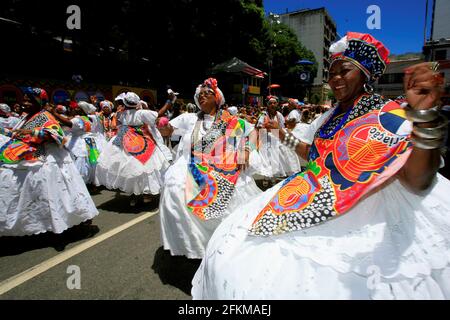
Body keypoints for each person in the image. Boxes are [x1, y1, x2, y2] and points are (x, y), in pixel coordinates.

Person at [192, 32, 450, 299]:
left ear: (364, 75)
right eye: (331, 72)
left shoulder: (389, 115)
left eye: (344, 70)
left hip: (372, 209)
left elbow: (417, 179)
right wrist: (281, 134)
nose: (335, 78)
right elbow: (314, 155)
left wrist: (423, 117)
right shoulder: (328, 117)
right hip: (316, 194)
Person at [158, 78, 262, 259]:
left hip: (222, 166)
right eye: (200, 94)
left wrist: (246, 150)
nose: (203, 95)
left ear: (218, 98)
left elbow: (252, 132)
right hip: (191, 165)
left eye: (208, 93)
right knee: (176, 189)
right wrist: (163, 125)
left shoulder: (229, 121)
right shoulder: (188, 118)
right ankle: (197, 247)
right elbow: (167, 131)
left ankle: (224, 244)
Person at [0, 88, 98, 236]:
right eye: (24, 99)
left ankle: (71, 218)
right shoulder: (26, 117)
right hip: (26, 154)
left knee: (54, 190)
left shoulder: (45, 116)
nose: (24, 103)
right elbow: (18, 133)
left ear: (38, 101)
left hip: (46, 156)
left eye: (29, 100)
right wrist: (6, 132)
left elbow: (57, 136)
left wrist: (33, 133)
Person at [95, 92, 172, 205]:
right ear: (137, 103)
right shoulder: (141, 113)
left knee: (128, 167)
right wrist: (169, 101)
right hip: (141, 139)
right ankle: (145, 193)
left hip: (124, 139)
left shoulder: (122, 114)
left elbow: (119, 124)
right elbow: (159, 113)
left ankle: (133, 195)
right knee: (146, 166)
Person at [253, 96, 301, 181]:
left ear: (277, 104)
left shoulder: (279, 115)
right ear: (267, 105)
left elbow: (282, 128)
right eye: (270, 103)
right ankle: (267, 178)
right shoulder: (263, 114)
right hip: (265, 139)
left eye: (274, 103)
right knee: (267, 159)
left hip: (276, 138)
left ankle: (278, 175)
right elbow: (258, 127)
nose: (272, 105)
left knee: (283, 153)